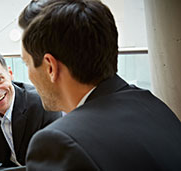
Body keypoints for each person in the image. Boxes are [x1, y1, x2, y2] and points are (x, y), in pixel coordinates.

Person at [19, 0, 181, 170]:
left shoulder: (59, 143)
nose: (29, 75)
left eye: (26, 63)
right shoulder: (154, 105)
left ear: (50, 67)